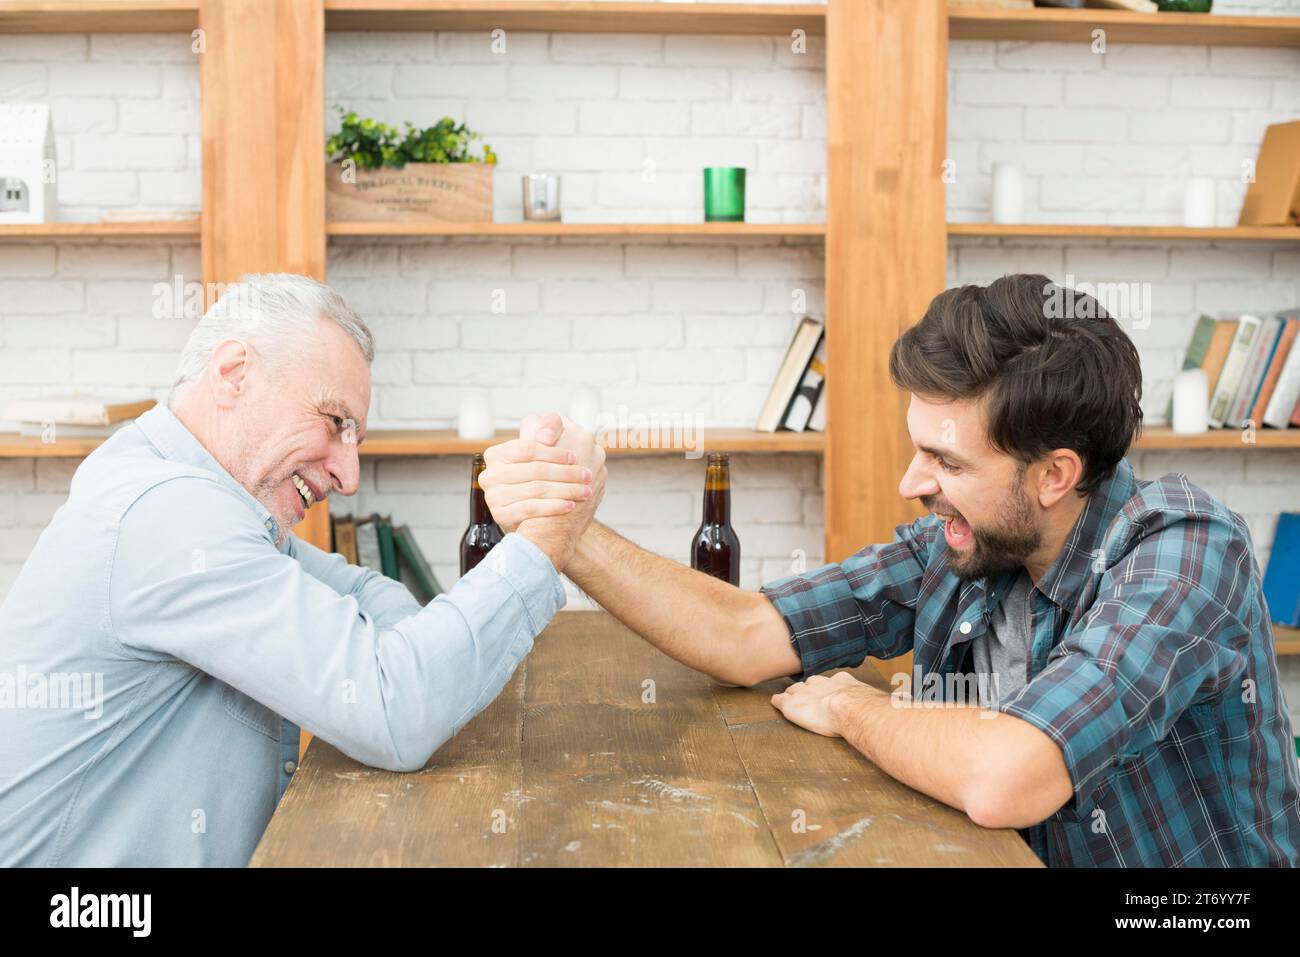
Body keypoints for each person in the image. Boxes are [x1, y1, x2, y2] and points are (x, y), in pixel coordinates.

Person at [482, 273, 1300, 867]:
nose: (913, 482)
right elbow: (742, 633)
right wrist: (568, 534)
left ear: (1053, 474)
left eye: (944, 460)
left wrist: (852, 706)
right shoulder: (966, 542)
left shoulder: (1186, 552)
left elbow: (1006, 774)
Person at [0, 273, 605, 866]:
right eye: (336, 422)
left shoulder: (199, 497)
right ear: (235, 374)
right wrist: (549, 535)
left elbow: (367, 590)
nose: (348, 476)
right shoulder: (167, 514)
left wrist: (394, 656)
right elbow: (399, 711)